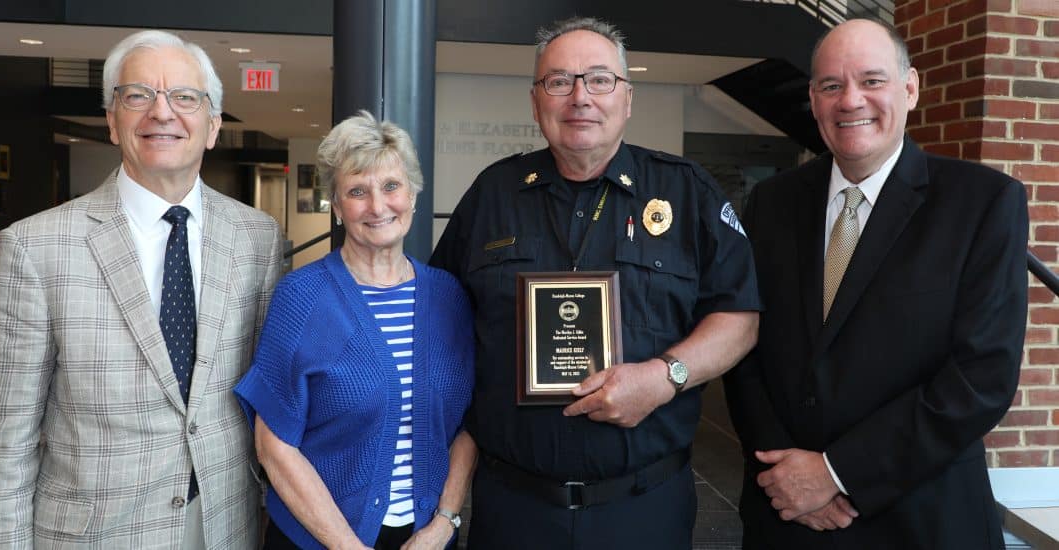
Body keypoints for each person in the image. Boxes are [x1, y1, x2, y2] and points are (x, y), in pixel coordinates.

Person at [430, 16, 760, 549]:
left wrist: (664, 376)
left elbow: (740, 317)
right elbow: (439, 320)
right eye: (558, 81)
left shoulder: (687, 191)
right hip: (514, 508)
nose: (580, 96)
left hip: (644, 507)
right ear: (536, 101)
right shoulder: (493, 194)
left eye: (599, 79)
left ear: (627, 98)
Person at [0, 30, 284, 548]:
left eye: (185, 97)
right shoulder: (33, 248)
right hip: (94, 534)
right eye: (138, 95)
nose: (162, 112)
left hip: (227, 524)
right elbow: (5, 445)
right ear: (113, 121)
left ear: (212, 126)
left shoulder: (258, 238)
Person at [724, 17, 1028, 549]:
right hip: (787, 517)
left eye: (872, 80)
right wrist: (786, 474)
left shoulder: (983, 203)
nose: (851, 101)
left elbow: (983, 375)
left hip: (920, 517)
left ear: (910, 89)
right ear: (814, 100)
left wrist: (836, 474)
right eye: (831, 86)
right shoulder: (772, 203)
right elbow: (745, 343)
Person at [234, 110, 476, 550]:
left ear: (414, 195)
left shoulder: (449, 297)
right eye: (358, 191)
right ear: (338, 206)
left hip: (428, 538)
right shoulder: (301, 298)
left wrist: (443, 523)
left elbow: (468, 425)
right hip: (319, 540)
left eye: (391, 186)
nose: (378, 206)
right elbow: (274, 447)